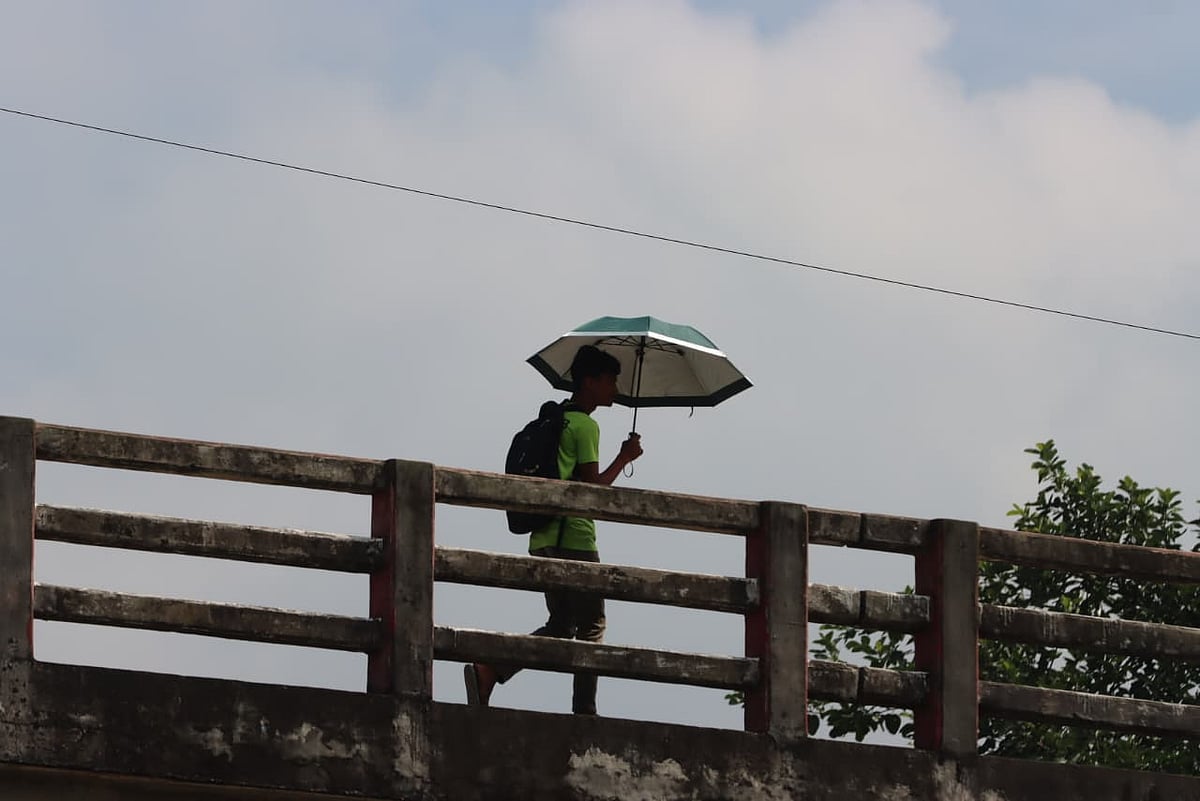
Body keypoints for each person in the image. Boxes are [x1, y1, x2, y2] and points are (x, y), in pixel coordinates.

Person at [464, 344, 643, 715]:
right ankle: (585, 711)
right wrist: (624, 459)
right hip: (574, 538)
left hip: (543, 536)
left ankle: (490, 669)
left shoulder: (558, 418)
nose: (614, 389)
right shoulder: (585, 425)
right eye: (610, 381)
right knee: (593, 623)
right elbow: (591, 492)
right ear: (590, 381)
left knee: (561, 625)